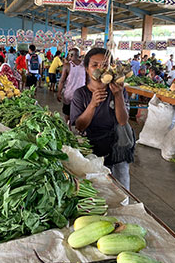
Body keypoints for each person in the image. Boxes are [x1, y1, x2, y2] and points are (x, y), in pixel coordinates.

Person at [70, 48, 134, 190]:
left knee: (121, 188)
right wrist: (92, 104)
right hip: (92, 149)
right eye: (95, 65)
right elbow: (79, 126)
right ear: (87, 69)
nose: (100, 68)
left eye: (104, 65)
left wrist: (118, 96)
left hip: (118, 147)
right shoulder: (81, 94)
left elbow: (123, 121)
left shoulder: (119, 90)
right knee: (98, 188)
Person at [57, 48, 86, 123]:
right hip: (82, 94)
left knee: (67, 112)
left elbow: (62, 81)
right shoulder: (84, 65)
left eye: (69, 55)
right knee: (81, 111)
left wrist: (59, 93)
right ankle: (80, 129)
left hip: (69, 94)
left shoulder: (67, 65)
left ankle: (68, 126)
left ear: (71, 55)